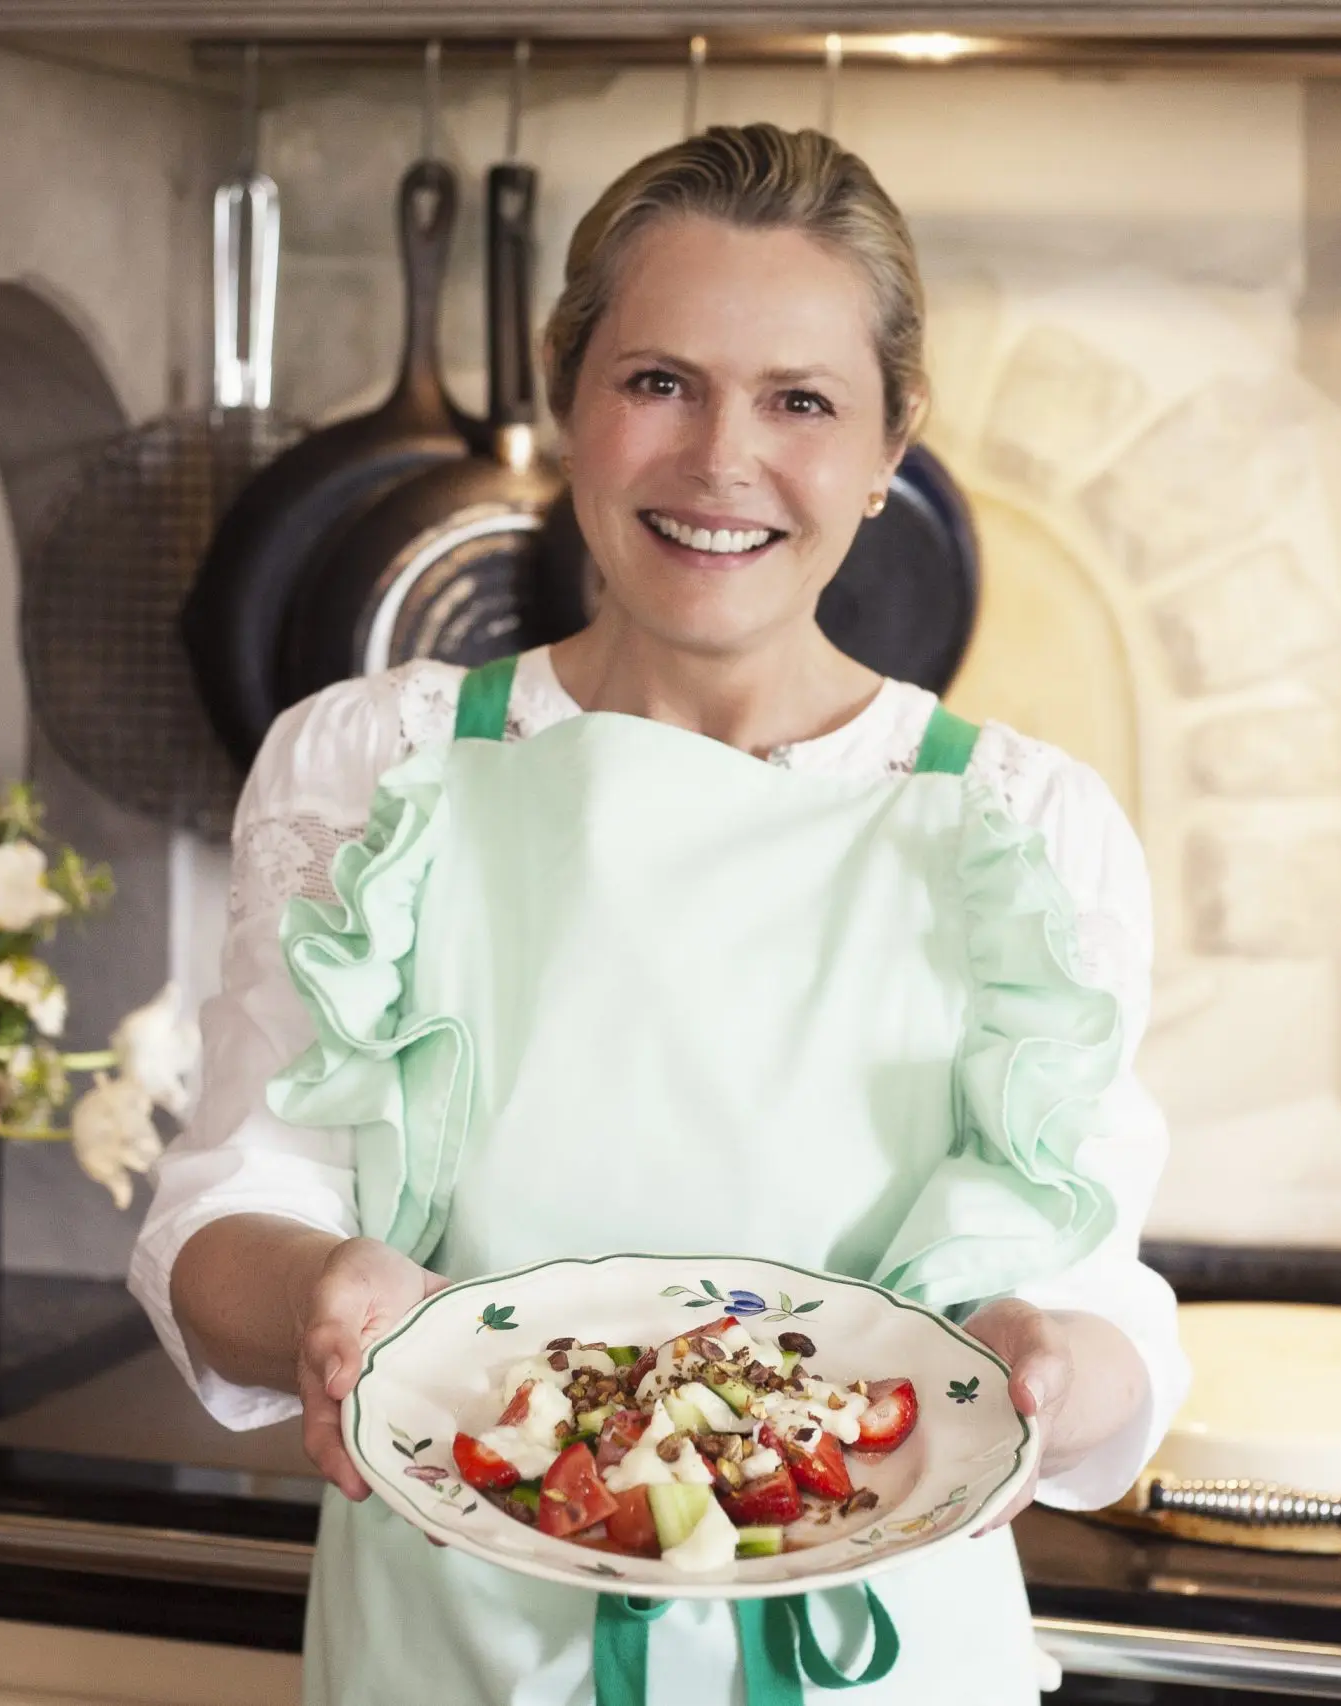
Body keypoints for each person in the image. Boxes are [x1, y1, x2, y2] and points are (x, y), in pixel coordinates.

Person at [131, 122, 1188, 1705]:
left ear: (894, 441)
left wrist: (1049, 1366)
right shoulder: (375, 767)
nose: (720, 461)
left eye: (802, 402)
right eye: (660, 382)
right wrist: (320, 1290)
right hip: (452, 1655)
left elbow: (1102, 1298)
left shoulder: (1019, 831)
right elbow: (222, 1207)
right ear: (572, 402)